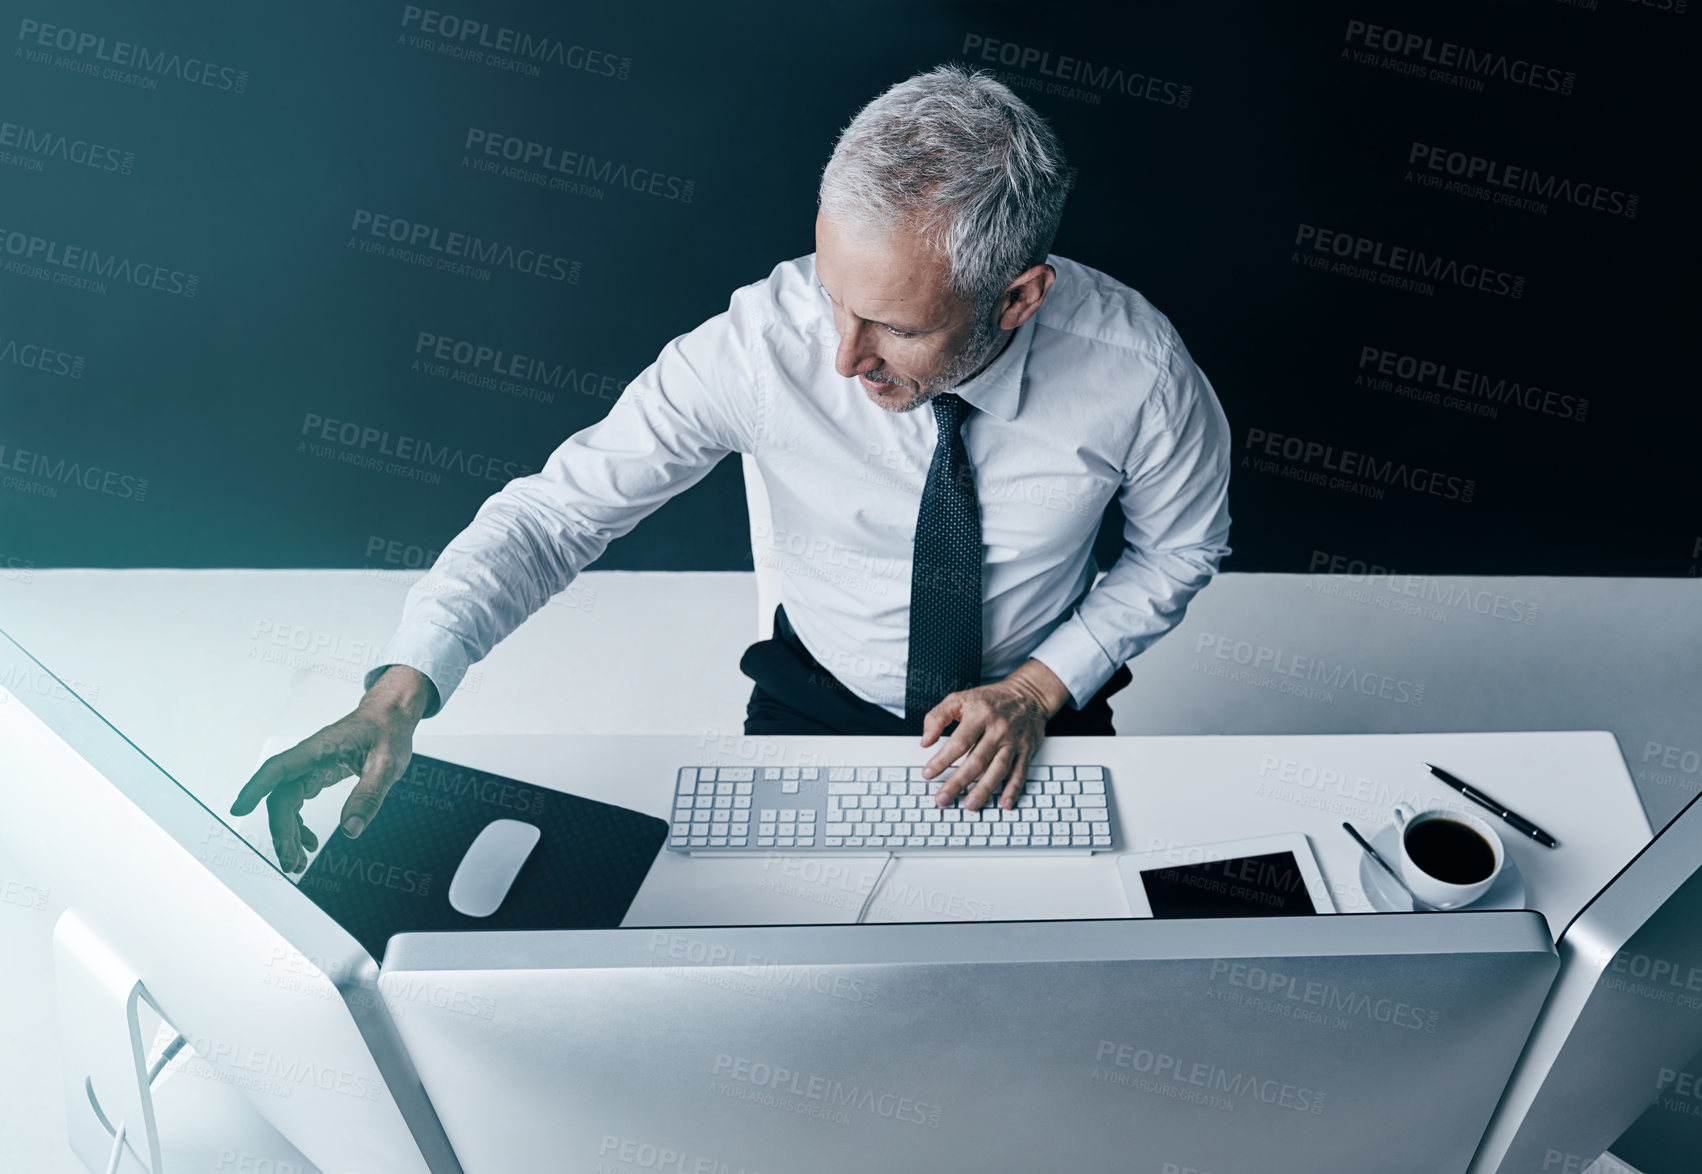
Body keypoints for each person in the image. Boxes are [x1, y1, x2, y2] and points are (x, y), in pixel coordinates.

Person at [232, 63, 1232, 874]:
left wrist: (1041, 686)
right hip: (818, 698)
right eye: (834, 293)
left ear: (1018, 300)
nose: (843, 356)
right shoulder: (763, 345)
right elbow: (555, 518)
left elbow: (1182, 546)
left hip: (1034, 706)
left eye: (896, 324)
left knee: (1056, 982)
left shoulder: (1137, 374)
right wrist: (400, 689)